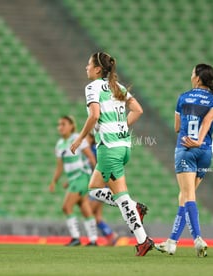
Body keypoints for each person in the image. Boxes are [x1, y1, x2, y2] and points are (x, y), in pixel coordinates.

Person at [70, 52, 153, 256]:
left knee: (120, 196)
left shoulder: (92, 87)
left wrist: (80, 137)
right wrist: (121, 126)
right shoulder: (118, 87)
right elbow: (138, 110)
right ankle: (134, 207)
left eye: (89, 64)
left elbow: (95, 115)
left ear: (98, 69)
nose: (86, 68)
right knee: (93, 189)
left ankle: (143, 240)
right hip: (123, 145)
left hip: (108, 148)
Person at [156, 63, 213, 257]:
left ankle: (197, 239)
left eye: (192, 72)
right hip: (204, 153)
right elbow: (208, 120)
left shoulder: (183, 97)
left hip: (186, 149)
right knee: (184, 196)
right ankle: (172, 242)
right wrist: (201, 140)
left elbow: (177, 127)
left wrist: (194, 139)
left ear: (197, 78)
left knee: (188, 196)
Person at [49, 116, 98, 246]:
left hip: (82, 177)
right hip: (74, 179)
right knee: (84, 207)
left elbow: (91, 157)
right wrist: (55, 181)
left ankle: (76, 238)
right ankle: (93, 239)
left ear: (71, 126)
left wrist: (96, 176)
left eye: (63, 124)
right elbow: (60, 166)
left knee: (66, 207)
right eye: (59, 124)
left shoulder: (78, 138)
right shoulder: (59, 144)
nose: (60, 127)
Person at [86, 133, 119, 246]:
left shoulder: (94, 150)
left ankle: (94, 239)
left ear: (91, 139)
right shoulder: (89, 150)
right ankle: (110, 236)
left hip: (100, 186)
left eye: (87, 138)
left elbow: (101, 165)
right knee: (97, 217)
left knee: (88, 211)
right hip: (99, 184)